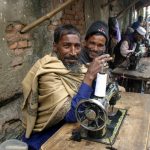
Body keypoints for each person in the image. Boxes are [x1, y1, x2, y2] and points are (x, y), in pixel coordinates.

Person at [21, 24, 112, 150]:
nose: (73, 52)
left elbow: (89, 100)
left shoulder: (76, 68)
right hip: (45, 138)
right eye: (67, 46)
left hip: (68, 130)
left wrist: (98, 76)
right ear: (55, 46)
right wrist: (89, 76)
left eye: (77, 46)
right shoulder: (48, 73)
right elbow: (72, 115)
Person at [80, 20, 125, 92]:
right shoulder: (78, 60)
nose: (95, 49)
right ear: (85, 42)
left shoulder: (102, 59)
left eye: (100, 45)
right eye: (92, 43)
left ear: (104, 47)